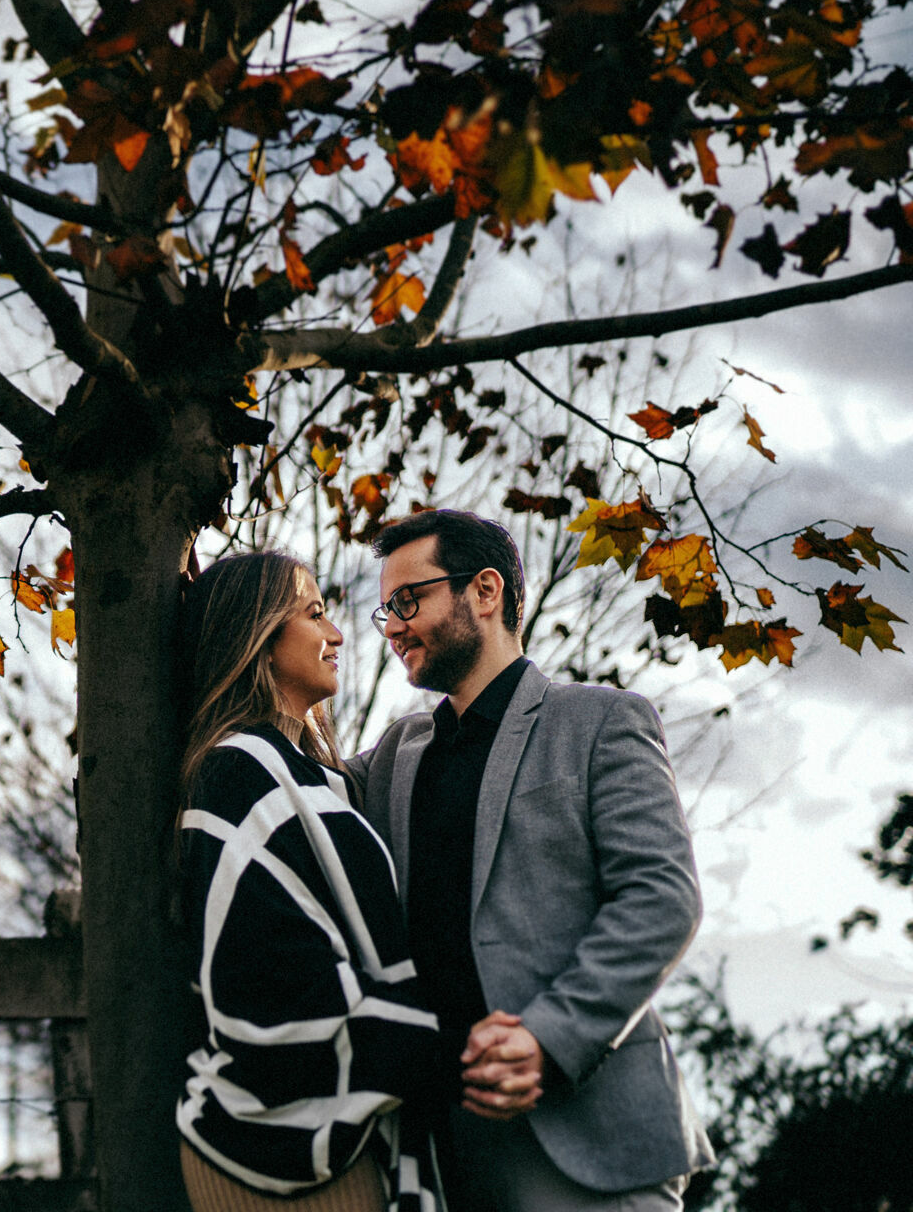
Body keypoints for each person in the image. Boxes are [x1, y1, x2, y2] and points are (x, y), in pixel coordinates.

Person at [344, 510, 714, 1211]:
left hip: (588, 1147)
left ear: (484, 591)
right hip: (439, 1158)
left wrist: (547, 1038)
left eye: (407, 601)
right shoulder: (392, 756)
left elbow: (662, 900)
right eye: (383, 610)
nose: (391, 626)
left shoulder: (602, 719)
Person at [176, 551, 445, 1212]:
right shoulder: (236, 772)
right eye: (314, 613)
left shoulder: (320, 780)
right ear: (256, 635)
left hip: (349, 1131)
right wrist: (423, 1040)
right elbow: (264, 976)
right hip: (274, 1147)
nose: (338, 635)